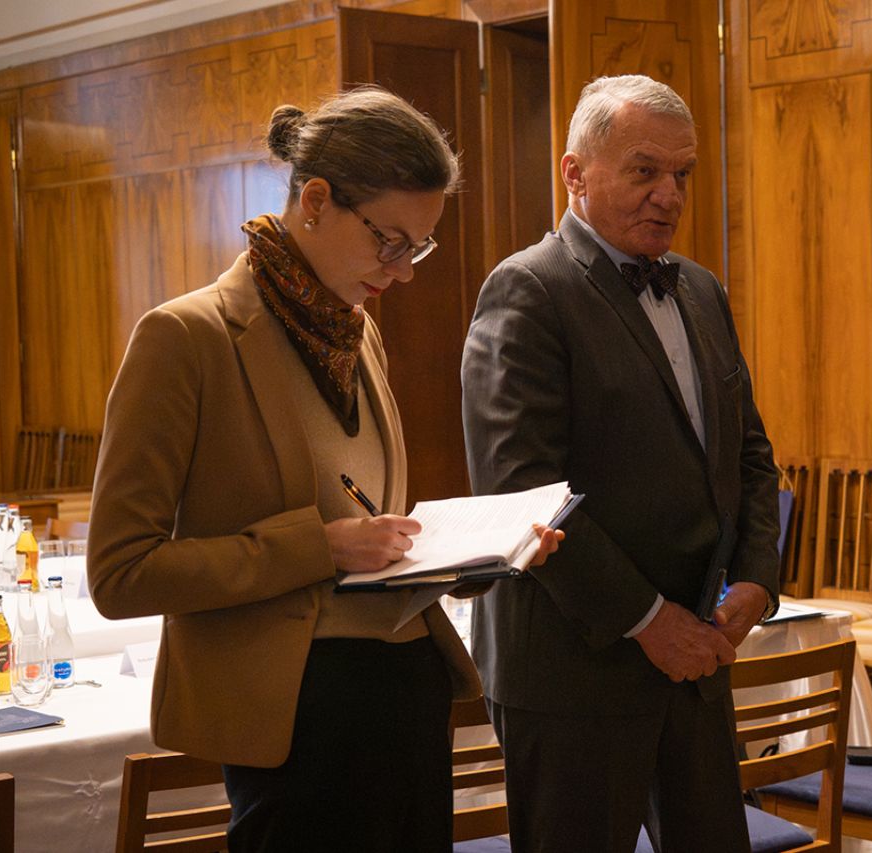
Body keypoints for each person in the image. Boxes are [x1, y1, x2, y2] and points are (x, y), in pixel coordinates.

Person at [87, 87, 560, 852]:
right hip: (294, 721)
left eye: (419, 248)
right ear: (315, 201)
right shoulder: (186, 338)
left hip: (407, 694)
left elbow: (369, 534)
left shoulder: (358, 333)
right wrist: (321, 547)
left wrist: (481, 556)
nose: (403, 272)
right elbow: (120, 574)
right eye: (391, 242)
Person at [460, 74, 781, 852]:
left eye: (682, 174)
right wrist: (648, 620)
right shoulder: (528, 289)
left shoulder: (701, 289)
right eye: (645, 171)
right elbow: (523, 490)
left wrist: (756, 578)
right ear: (574, 173)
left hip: (696, 660)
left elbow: (749, 453)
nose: (669, 195)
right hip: (574, 666)